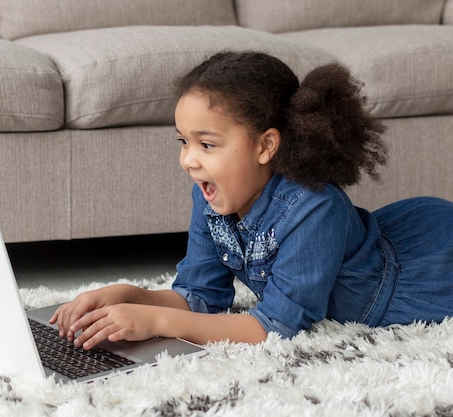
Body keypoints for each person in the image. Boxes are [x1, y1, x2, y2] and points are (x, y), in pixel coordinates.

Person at [50, 51, 453, 349]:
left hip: (427, 268)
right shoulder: (210, 194)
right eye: (184, 142)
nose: (188, 160)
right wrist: (129, 296)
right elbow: (200, 295)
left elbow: (274, 327)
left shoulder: (314, 207)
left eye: (206, 144)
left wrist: (157, 319)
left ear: (266, 146)